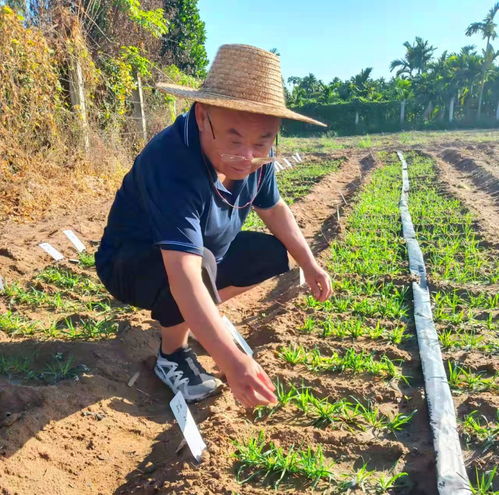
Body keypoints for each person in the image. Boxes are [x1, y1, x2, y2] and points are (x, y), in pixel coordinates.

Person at [95, 44, 331, 409]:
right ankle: (172, 354)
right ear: (203, 115)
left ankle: (197, 318)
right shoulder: (172, 161)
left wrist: (309, 262)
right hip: (132, 264)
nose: (247, 157)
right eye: (234, 139)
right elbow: (185, 273)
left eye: (262, 142)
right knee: (198, 266)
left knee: (269, 253)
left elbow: (274, 207)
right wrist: (233, 362)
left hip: (201, 256)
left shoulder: (257, 159)